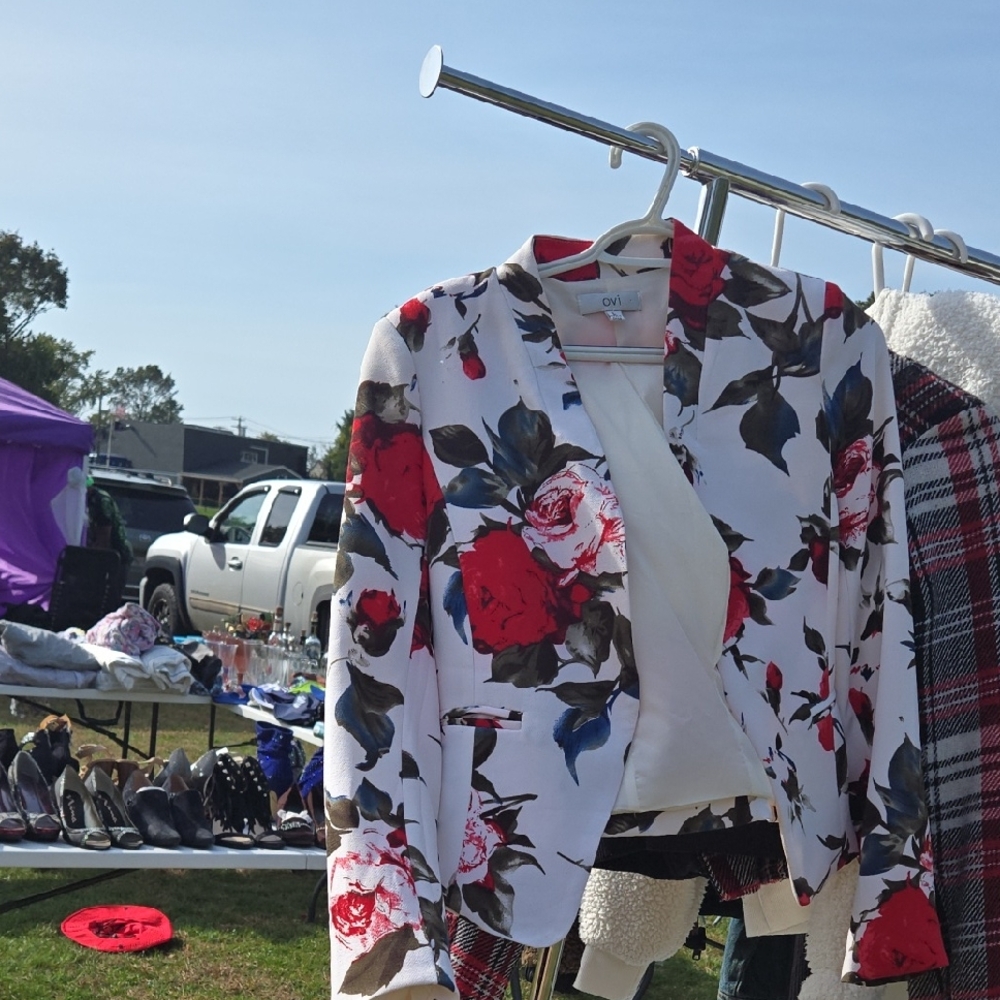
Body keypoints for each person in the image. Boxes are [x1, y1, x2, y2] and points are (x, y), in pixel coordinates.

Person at [85, 476, 133, 606]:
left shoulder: (101, 501)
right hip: (104, 554)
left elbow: (104, 534)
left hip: (116, 555)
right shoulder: (84, 500)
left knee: (108, 600)